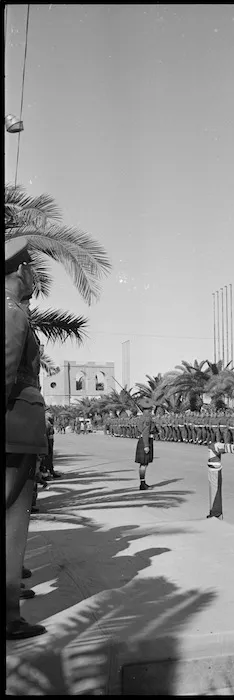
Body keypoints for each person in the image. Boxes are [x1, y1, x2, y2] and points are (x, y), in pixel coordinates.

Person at [5, 238, 48, 640]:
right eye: (30, 268)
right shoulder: (13, 313)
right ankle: (8, 616)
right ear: (19, 271)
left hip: (16, 429)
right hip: (14, 431)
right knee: (13, 524)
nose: (33, 275)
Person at [135, 399, 157, 490]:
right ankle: (142, 484)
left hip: (142, 440)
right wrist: (146, 445)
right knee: (144, 464)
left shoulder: (142, 417)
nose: (151, 411)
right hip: (145, 440)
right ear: (148, 410)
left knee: (143, 464)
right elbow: (145, 432)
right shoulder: (147, 418)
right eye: (150, 410)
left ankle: (142, 482)